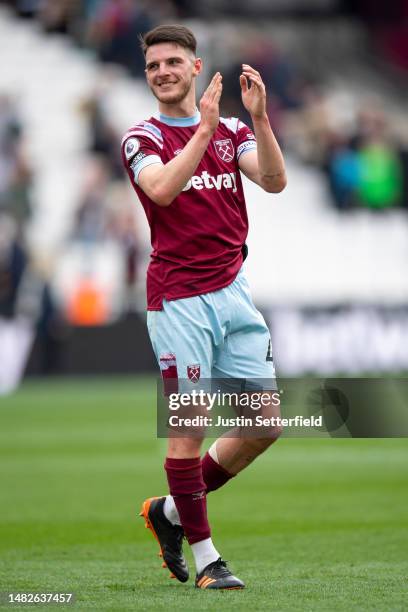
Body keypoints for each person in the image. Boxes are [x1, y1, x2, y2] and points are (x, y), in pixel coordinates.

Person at [121, 24, 286, 590]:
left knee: (264, 425)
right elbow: (162, 189)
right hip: (179, 300)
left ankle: (168, 512)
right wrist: (203, 131)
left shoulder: (234, 129)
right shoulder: (140, 138)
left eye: (172, 62)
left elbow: (274, 180)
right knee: (188, 428)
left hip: (233, 292)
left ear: (196, 68)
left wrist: (259, 119)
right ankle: (209, 561)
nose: (162, 72)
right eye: (152, 66)